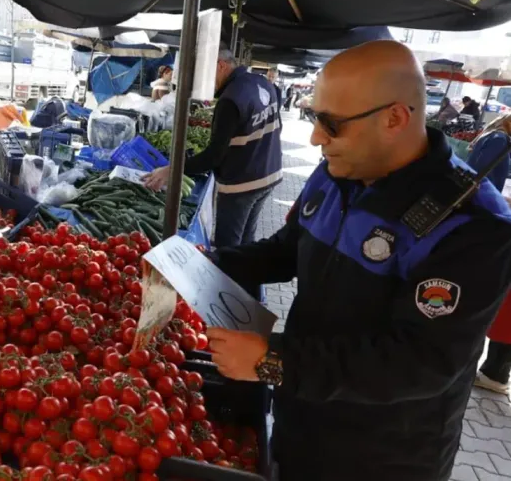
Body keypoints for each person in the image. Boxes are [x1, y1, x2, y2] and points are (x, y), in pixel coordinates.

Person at [204, 40, 511, 481]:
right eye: (314, 118)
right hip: (301, 421)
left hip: (380, 456)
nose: (315, 138)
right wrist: (203, 263)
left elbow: (421, 362)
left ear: (395, 118)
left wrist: (273, 360)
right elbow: (285, 250)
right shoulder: (335, 174)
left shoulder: (471, 224)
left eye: (330, 124)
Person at [142, 48, 283, 253]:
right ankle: (245, 283)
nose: (205, 81)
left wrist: (171, 170)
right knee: (246, 242)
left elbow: (213, 157)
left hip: (241, 184)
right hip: (269, 174)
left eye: (206, 73)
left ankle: (227, 283)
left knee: (228, 248)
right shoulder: (262, 83)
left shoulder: (231, 98)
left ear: (220, 65)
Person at [467, 115, 511, 393]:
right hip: (490, 221)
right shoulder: (500, 141)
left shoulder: (493, 137)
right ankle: (492, 371)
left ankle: (491, 371)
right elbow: (484, 180)